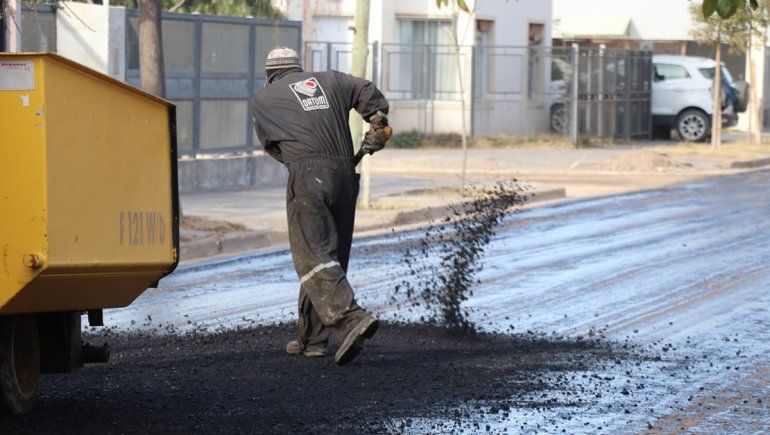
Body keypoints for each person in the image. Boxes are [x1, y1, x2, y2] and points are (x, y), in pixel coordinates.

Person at [250, 47, 391, 365]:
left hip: (308, 174)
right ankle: (312, 340)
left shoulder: (264, 98)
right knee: (331, 257)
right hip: (345, 173)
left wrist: (305, 167)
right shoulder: (331, 79)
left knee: (313, 256)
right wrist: (377, 121)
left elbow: (274, 147)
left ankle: (351, 319)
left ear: (271, 75)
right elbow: (365, 90)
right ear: (299, 69)